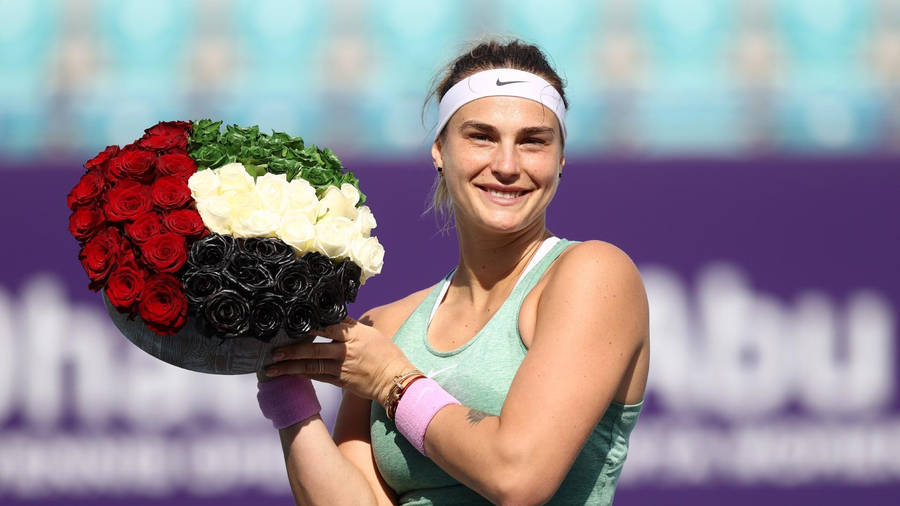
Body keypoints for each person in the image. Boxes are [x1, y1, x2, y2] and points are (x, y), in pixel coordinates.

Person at [256, 38, 649, 505]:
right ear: (440, 150)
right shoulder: (385, 328)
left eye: (533, 141)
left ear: (560, 159)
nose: (506, 165)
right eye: (481, 136)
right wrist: (282, 377)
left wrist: (392, 382)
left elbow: (518, 475)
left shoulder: (595, 274)